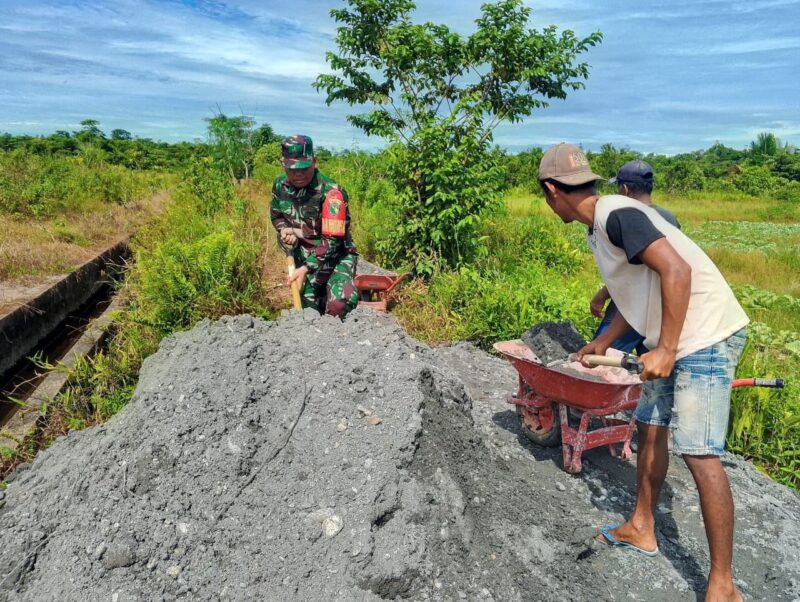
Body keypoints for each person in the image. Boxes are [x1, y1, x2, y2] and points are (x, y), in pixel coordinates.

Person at [538, 143, 749, 602]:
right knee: (651, 429)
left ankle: (724, 585)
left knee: (699, 451)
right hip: (672, 337)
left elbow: (676, 271)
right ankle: (642, 526)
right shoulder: (600, 225)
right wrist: (605, 340)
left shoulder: (617, 214)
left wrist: (668, 348)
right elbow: (641, 290)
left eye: (545, 196)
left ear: (552, 190)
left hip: (705, 336)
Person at [590, 160, 680, 355]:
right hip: (661, 311)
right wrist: (603, 293)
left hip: (631, 308)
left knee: (597, 359)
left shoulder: (624, 217)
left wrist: (603, 295)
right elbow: (645, 270)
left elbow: (631, 277)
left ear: (624, 189)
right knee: (644, 371)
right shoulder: (668, 217)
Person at [270, 134, 359, 318]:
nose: (298, 174)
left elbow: (333, 241)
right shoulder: (280, 186)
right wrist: (285, 230)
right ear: (283, 164)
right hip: (303, 258)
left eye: (304, 167)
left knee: (338, 306)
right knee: (309, 312)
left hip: (335, 258)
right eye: (292, 169)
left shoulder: (332, 193)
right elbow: (277, 216)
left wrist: (305, 269)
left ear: (315, 161)